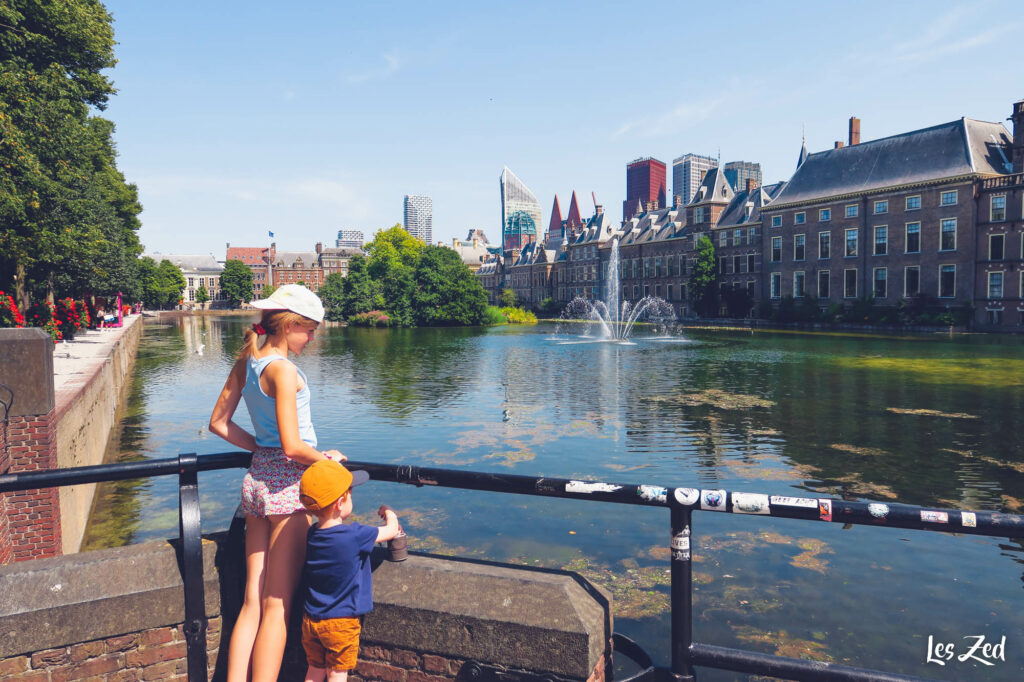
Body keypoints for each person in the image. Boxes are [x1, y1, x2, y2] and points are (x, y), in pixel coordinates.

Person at [208, 284, 342, 682]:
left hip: (257, 481)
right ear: (289, 326)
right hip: (287, 488)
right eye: (310, 330)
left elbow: (218, 424)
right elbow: (293, 444)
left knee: (252, 600)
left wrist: (259, 450)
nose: (314, 337)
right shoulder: (283, 371)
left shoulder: (249, 360)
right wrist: (330, 462)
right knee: (276, 605)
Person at [298, 460, 400, 682]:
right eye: (350, 494)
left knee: (315, 670)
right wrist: (390, 513)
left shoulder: (312, 534)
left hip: (311, 618)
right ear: (339, 503)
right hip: (341, 622)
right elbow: (391, 531)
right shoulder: (356, 535)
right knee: (337, 672)